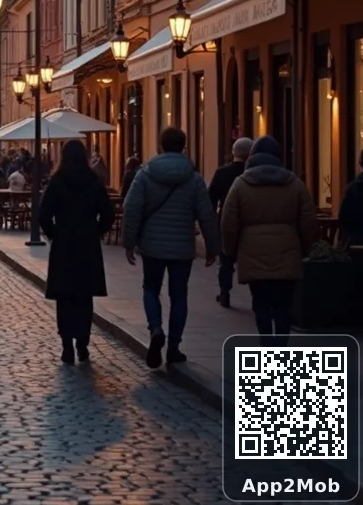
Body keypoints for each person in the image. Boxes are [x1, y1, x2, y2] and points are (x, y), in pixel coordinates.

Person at [122, 126, 218, 369]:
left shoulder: (145, 174)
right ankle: (174, 347)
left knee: (151, 288)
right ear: (183, 147)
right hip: (182, 247)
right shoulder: (194, 178)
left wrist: (129, 242)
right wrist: (212, 246)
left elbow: (131, 208)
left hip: (152, 245)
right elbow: (206, 214)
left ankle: (155, 328)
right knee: (179, 295)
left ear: (161, 145)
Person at [221, 134, 318, 336]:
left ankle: (267, 347)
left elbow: (228, 221)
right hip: (287, 253)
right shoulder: (295, 184)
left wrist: (229, 250)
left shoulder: (241, 184)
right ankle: (281, 350)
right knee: (284, 306)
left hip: (253, 254)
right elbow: (308, 220)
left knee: (261, 304)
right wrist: (306, 248)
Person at [40, 138, 115, 364]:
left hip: (64, 245)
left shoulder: (57, 181)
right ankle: (83, 344)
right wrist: (96, 231)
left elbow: (44, 216)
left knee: (65, 297)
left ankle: (66, 347)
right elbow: (108, 214)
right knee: (84, 297)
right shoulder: (94, 181)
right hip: (87, 246)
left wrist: (55, 234)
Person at [207, 137, 253, 308]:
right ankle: (256, 293)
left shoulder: (222, 173)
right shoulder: (252, 173)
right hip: (250, 222)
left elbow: (211, 198)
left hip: (226, 220)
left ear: (234, 153)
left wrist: (211, 222)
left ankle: (224, 291)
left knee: (226, 259)